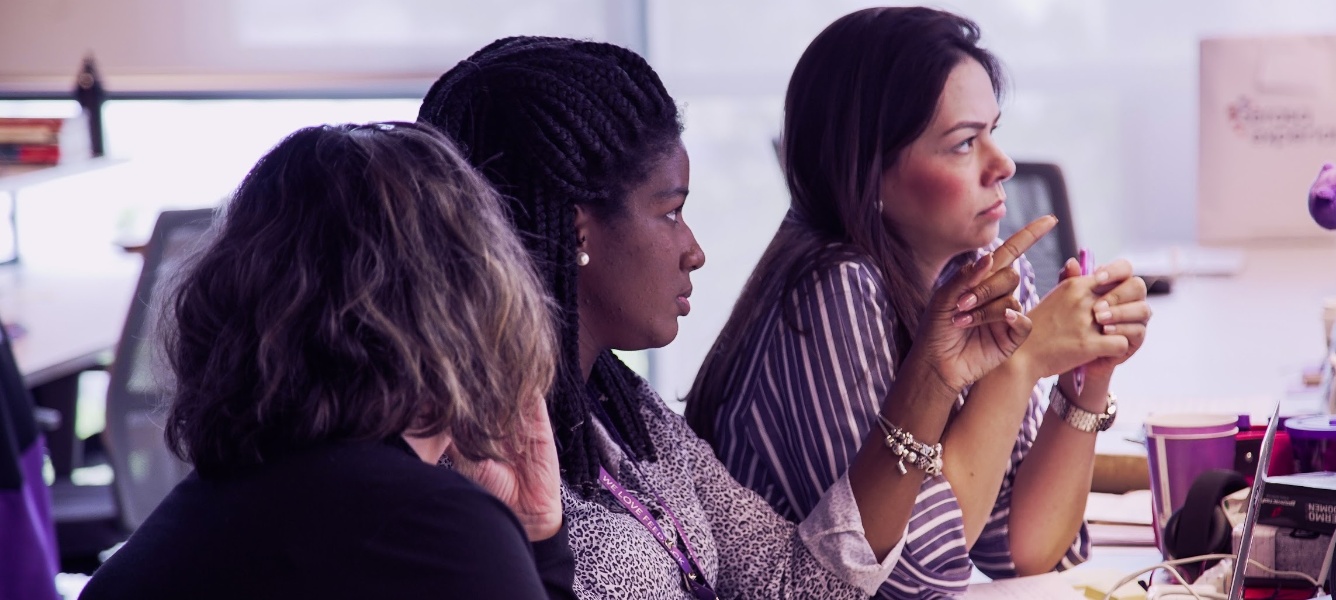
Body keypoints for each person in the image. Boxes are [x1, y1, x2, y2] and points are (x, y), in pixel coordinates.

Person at [419, 36, 1051, 599]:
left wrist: (936, 377)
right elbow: (917, 576)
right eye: (669, 212)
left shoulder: (630, 416)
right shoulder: (468, 456)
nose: (693, 250)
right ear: (578, 228)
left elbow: (801, 583)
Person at [685, 7, 1152, 598]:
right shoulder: (836, 290)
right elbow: (914, 578)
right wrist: (1022, 360)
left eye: (993, 132)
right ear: (868, 173)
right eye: (963, 144)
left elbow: (1028, 550)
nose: (1002, 164)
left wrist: (1084, 379)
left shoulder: (978, 271)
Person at [79, 122, 575, 600]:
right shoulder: (429, 527)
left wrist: (532, 534)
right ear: (467, 306)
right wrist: (538, 547)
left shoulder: (162, 543)